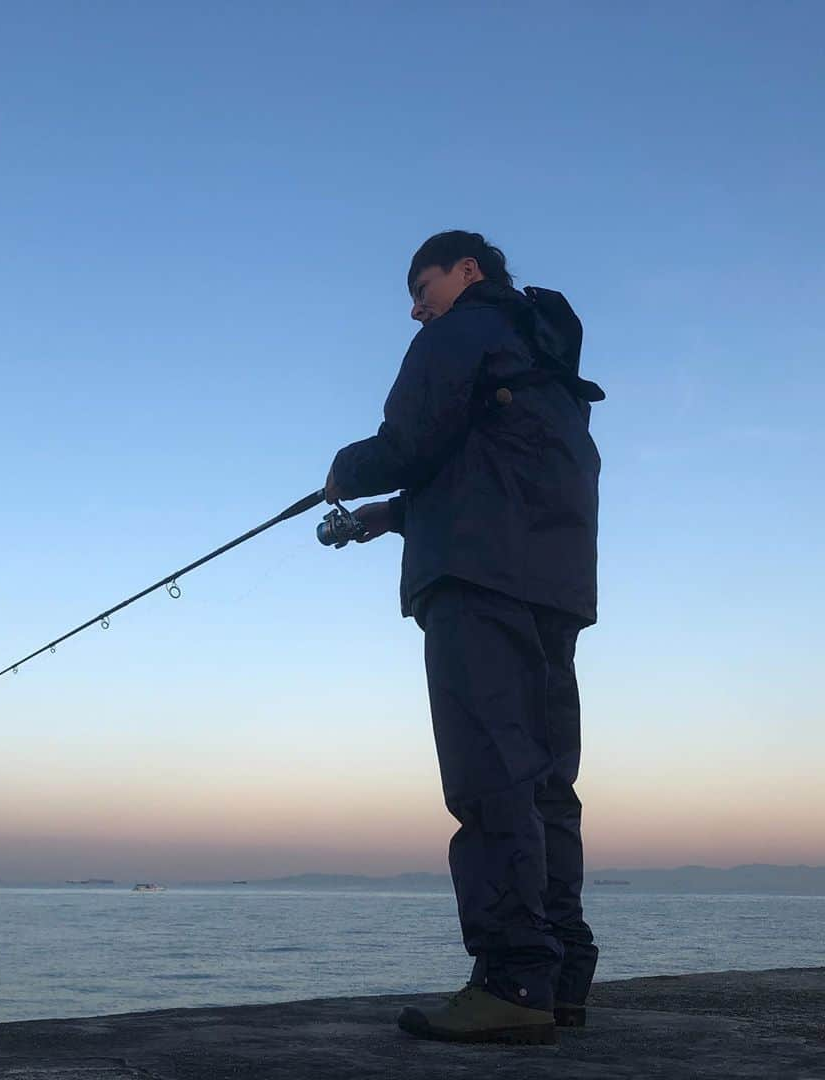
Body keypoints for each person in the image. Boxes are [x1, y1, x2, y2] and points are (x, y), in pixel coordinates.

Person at [325, 230, 603, 1046]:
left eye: (424, 285)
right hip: (552, 590)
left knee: (490, 777)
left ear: (469, 269)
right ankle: (561, 979)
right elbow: (496, 465)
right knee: (547, 782)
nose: (417, 307)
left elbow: (410, 440)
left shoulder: (460, 332)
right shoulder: (545, 363)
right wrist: (395, 516)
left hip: (477, 586)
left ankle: (513, 980)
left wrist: (348, 472)